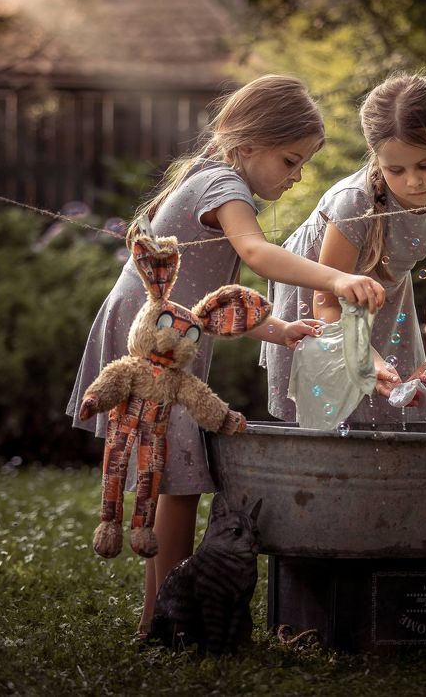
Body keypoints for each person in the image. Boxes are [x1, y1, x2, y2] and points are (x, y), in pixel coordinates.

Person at [66, 74, 385, 639]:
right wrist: (338, 277)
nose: (297, 177)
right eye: (290, 161)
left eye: (304, 164)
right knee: (179, 478)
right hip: (152, 344)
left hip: (172, 342)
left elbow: (217, 299)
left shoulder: (214, 180)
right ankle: (169, 621)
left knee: (175, 476)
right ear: (246, 146)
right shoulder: (222, 183)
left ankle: (161, 620)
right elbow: (257, 253)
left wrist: (280, 328)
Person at [262, 72, 426, 423]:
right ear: (377, 159)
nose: (414, 181)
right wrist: (366, 358)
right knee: (328, 414)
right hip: (317, 297)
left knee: (392, 403)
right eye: (396, 169)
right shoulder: (353, 204)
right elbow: (327, 302)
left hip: (384, 293)